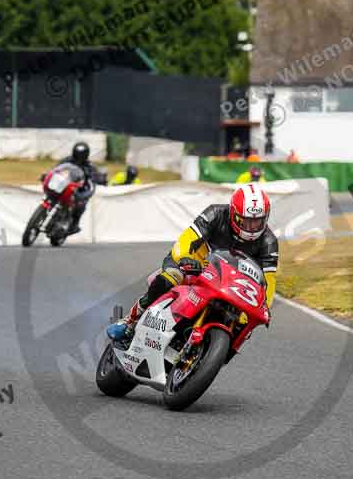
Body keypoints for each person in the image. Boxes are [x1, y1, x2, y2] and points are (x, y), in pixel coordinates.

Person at [107, 183, 279, 344]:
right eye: (246, 221)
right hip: (196, 263)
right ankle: (130, 320)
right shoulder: (215, 214)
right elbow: (188, 238)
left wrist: (264, 307)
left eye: (257, 221)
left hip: (229, 283)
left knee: (243, 326)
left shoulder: (269, 241)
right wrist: (183, 258)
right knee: (170, 278)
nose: (251, 227)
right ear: (233, 213)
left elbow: (268, 280)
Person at [43, 142, 105, 234]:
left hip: (78, 189)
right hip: (64, 184)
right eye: (77, 155)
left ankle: (74, 225)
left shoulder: (89, 166)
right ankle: (42, 212)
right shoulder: (67, 160)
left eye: (81, 155)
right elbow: (56, 169)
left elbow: (95, 176)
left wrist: (100, 179)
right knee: (52, 192)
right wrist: (47, 174)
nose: (79, 158)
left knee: (81, 204)